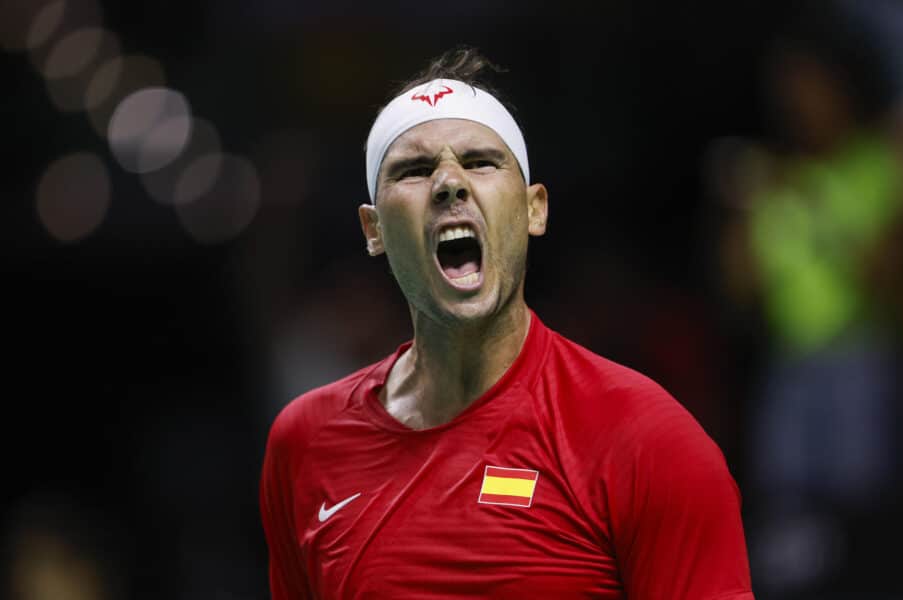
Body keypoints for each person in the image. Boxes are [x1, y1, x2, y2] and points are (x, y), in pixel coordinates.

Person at [259, 46, 754, 599]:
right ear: (372, 230)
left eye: (480, 162)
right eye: (416, 170)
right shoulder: (303, 443)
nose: (450, 183)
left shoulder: (649, 441)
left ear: (534, 209)